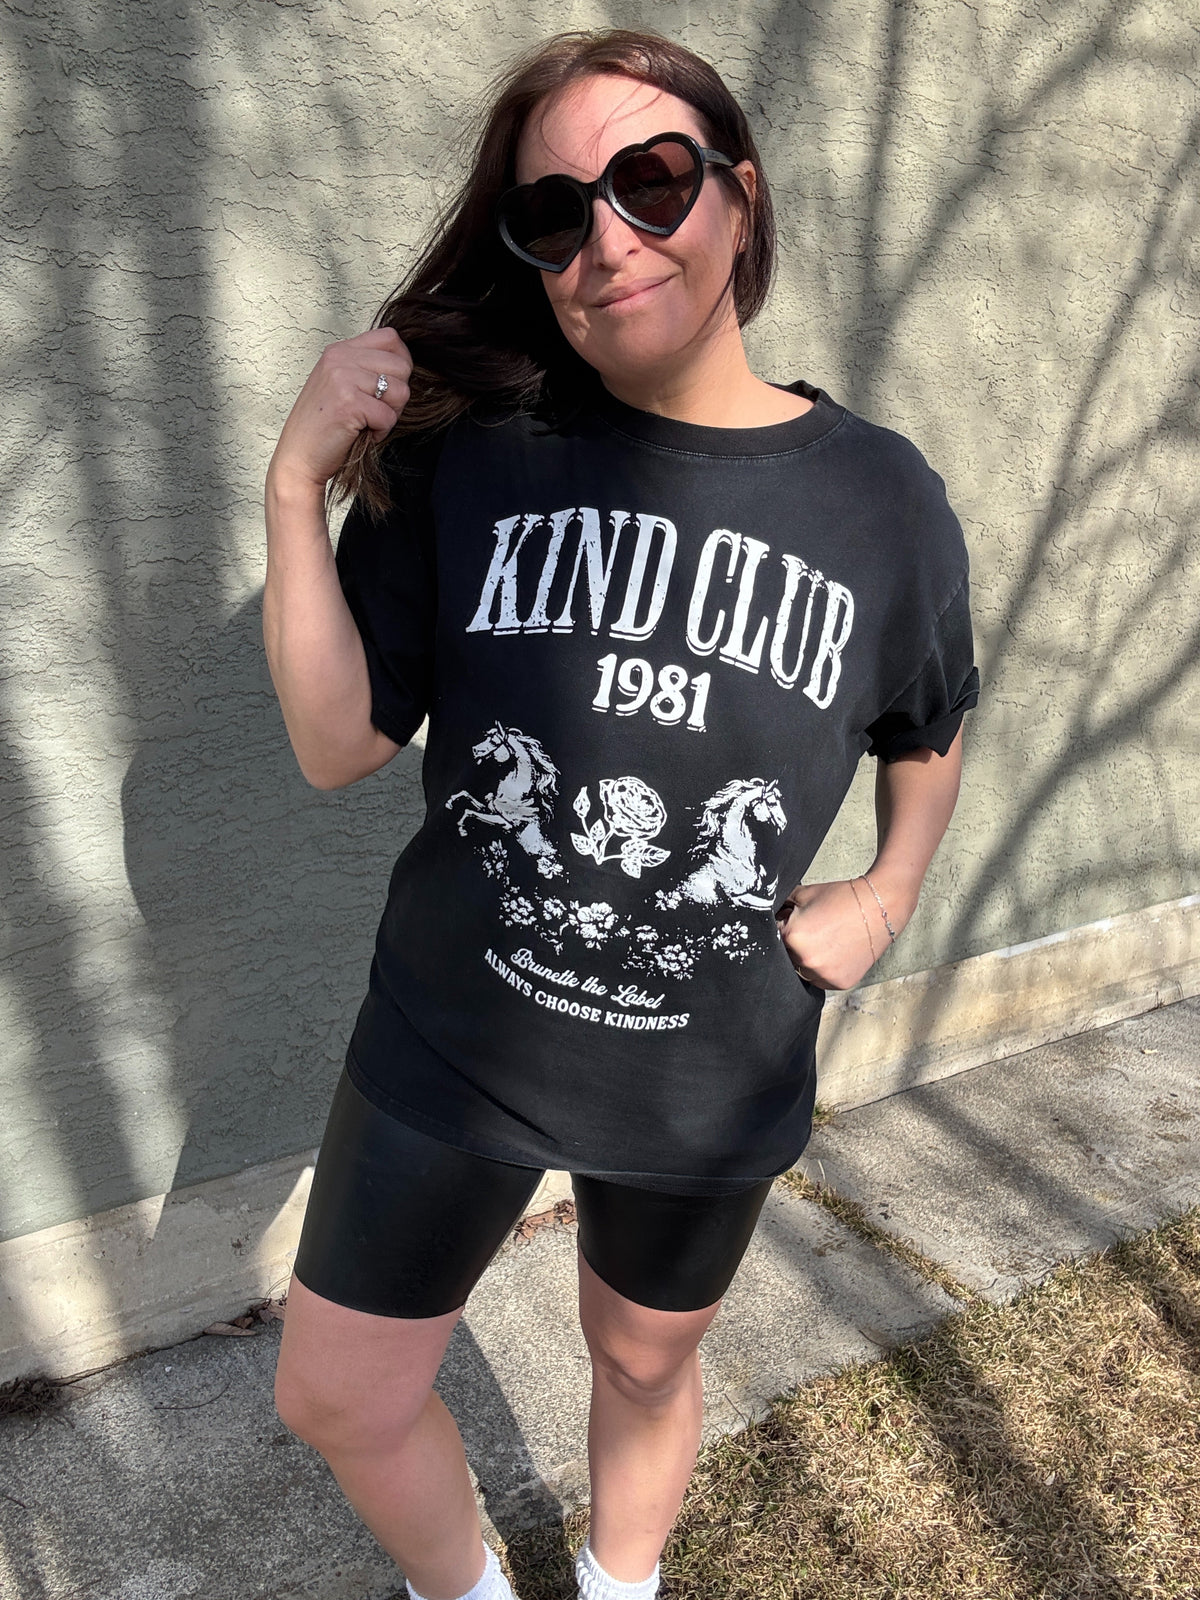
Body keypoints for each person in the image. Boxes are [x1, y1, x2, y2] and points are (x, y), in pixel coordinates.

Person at [263, 26, 979, 1600]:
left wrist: (888, 891)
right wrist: (293, 485)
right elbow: (333, 745)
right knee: (339, 1393)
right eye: (553, 211)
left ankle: (620, 1585)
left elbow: (927, 721)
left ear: (738, 196)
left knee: (644, 1362)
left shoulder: (882, 501)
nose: (608, 240)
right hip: (452, 1031)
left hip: (704, 1070)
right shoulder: (478, 457)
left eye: (651, 181)